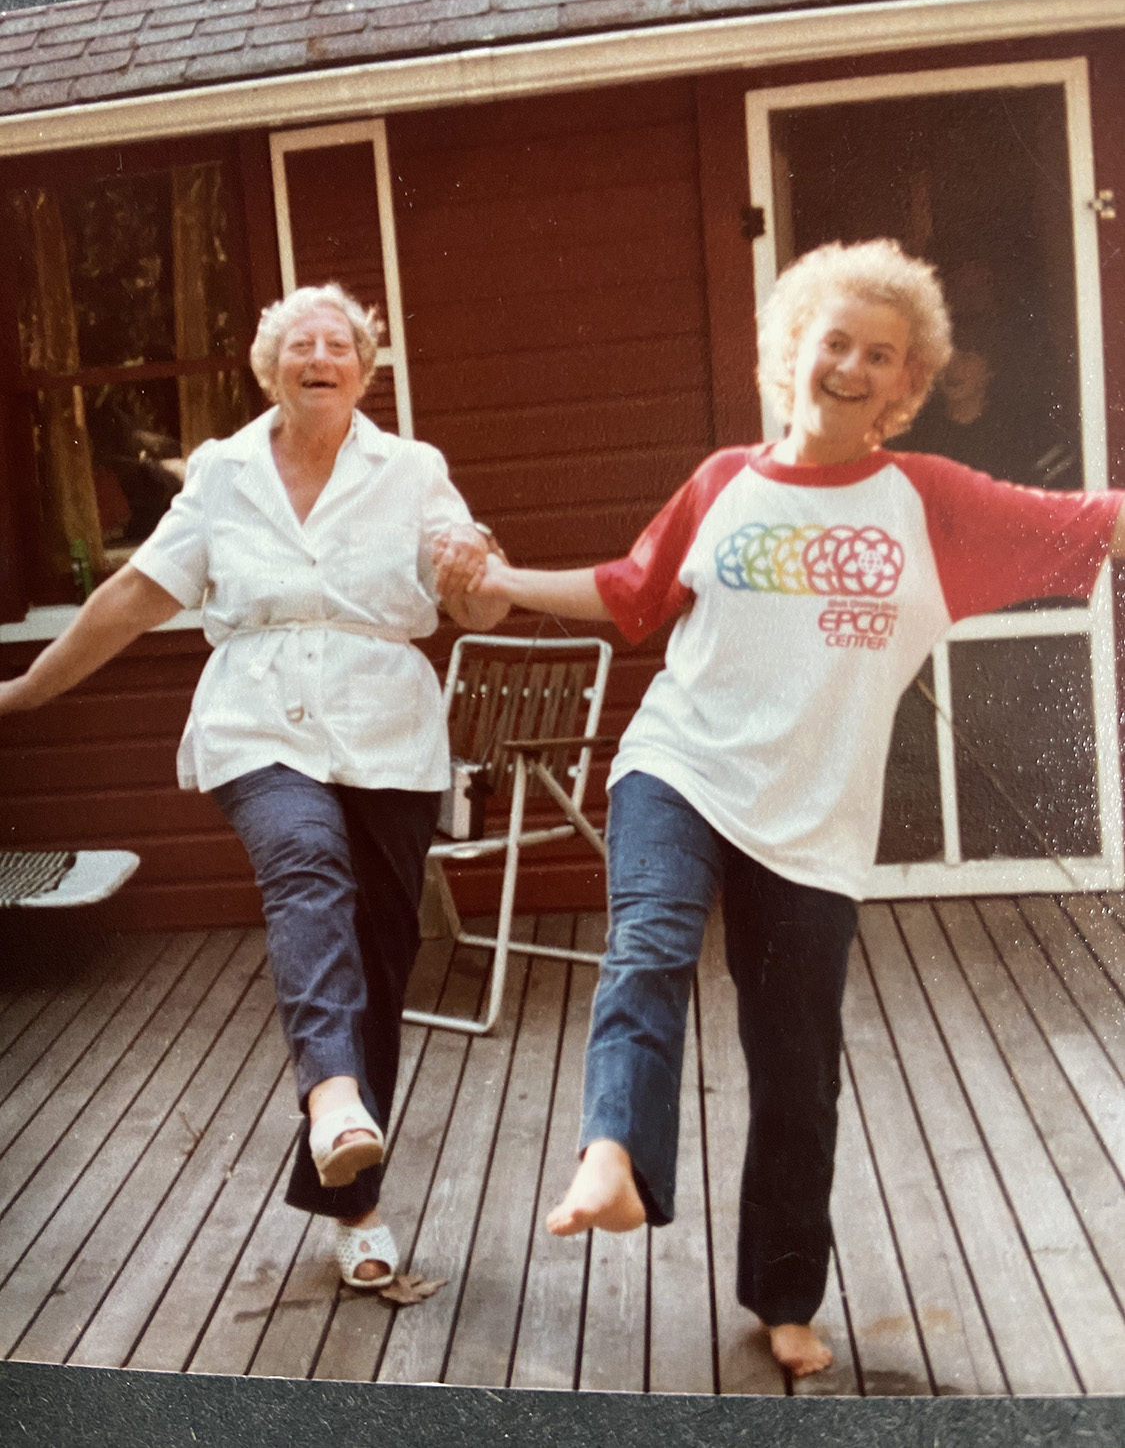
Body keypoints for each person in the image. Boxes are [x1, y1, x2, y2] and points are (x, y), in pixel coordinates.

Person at [469, 238, 1125, 1376]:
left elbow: (1094, 518)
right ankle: (614, 1151)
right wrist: (505, 583)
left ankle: (782, 1294)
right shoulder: (726, 482)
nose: (855, 367)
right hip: (681, 765)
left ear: (909, 386)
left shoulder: (931, 501)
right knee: (648, 945)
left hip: (815, 820)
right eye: (836, 343)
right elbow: (633, 593)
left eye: (884, 355)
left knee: (797, 1062)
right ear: (790, 353)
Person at [0, 283, 508, 1290]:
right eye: (299, 344)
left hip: (387, 735)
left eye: (340, 345)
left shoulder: (412, 470)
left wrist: (476, 570)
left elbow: (476, 594)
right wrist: (22, 691)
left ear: (365, 371)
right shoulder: (226, 472)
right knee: (305, 862)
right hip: (258, 720)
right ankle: (330, 1097)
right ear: (269, 367)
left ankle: (352, 1204)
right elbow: (135, 594)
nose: (320, 356)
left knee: (379, 952)